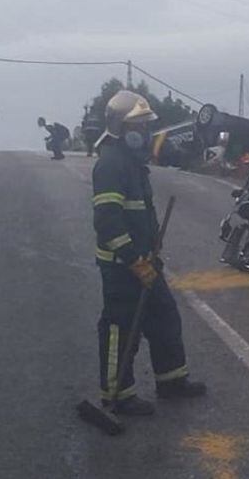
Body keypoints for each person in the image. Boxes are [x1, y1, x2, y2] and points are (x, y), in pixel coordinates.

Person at [92, 90, 205, 415]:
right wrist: (132, 259)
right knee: (120, 328)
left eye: (145, 127)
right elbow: (107, 221)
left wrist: (149, 253)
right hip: (121, 266)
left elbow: (140, 212)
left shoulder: (132, 163)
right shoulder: (111, 164)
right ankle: (118, 395)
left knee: (164, 316)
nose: (143, 133)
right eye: (138, 127)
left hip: (145, 261)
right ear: (120, 128)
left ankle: (171, 381)